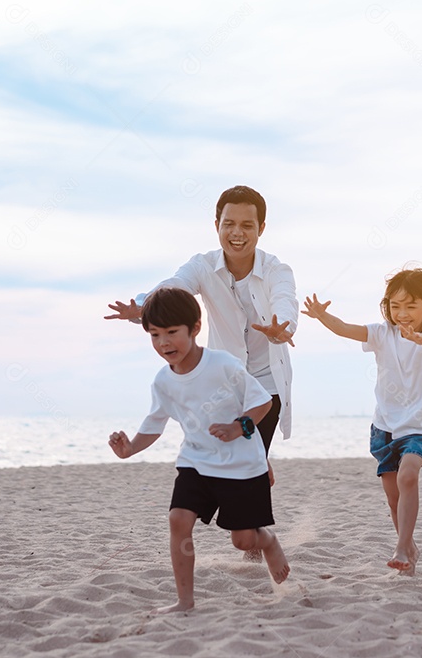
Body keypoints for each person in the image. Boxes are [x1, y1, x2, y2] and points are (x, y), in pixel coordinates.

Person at [108, 287, 290, 613]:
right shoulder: (163, 381)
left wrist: (239, 427)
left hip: (242, 465)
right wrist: (130, 448)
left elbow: (263, 401)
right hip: (196, 461)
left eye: (172, 332)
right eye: (154, 335)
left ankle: (268, 541)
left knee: (243, 541)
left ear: (194, 328)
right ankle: (184, 601)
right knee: (178, 519)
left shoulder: (223, 365)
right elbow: (154, 423)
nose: (164, 343)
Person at [106, 186, 297, 478]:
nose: (237, 233)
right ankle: (259, 467)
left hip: (266, 385)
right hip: (223, 381)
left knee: (247, 463)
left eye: (247, 225)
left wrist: (281, 328)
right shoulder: (202, 266)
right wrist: (143, 306)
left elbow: (285, 301)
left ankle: (258, 469)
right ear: (216, 225)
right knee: (229, 457)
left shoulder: (276, 270)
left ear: (261, 228)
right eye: (228, 224)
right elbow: (174, 285)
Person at [301, 267, 422, 576]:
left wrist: (420, 339)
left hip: (418, 427)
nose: (402, 313)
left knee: (408, 477)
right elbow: (346, 329)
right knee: (393, 497)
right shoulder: (383, 333)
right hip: (383, 427)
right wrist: (322, 317)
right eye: (395, 306)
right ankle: (408, 549)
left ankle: (400, 548)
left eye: (411, 306)